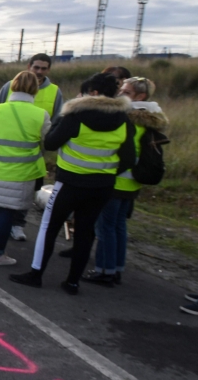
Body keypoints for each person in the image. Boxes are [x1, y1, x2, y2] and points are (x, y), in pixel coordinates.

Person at [10, 72, 134, 295]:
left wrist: (63, 115)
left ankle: (36, 274)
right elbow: (128, 158)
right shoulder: (124, 120)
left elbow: (50, 142)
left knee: (49, 227)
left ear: (93, 93)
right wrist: (105, 172)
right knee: (86, 232)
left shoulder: (76, 115)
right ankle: (73, 282)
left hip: (70, 182)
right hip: (102, 186)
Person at [83, 76, 167, 286]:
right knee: (119, 226)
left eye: (126, 92)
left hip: (117, 180)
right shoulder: (149, 118)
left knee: (105, 228)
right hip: (132, 183)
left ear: (140, 96)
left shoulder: (128, 118)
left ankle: (105, 270)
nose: (120, 94)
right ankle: (116, 267)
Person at [0, 71, 51, 266]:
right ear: (35, 89)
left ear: (13, 86)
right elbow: (48, 141)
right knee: (7, 211)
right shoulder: (40, 115)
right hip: (19, 171)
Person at [0, 53, 65, 241]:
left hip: (32, 153)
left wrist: (46, 144)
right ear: (29, 66)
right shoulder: (9, 87)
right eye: (36, 67)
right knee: (2, 190)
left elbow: (57, 122)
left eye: (44, 68)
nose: (40, 71)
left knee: (26, 192)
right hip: (4, 150)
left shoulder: (54, 92)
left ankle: (17, 224)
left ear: (48, 69)